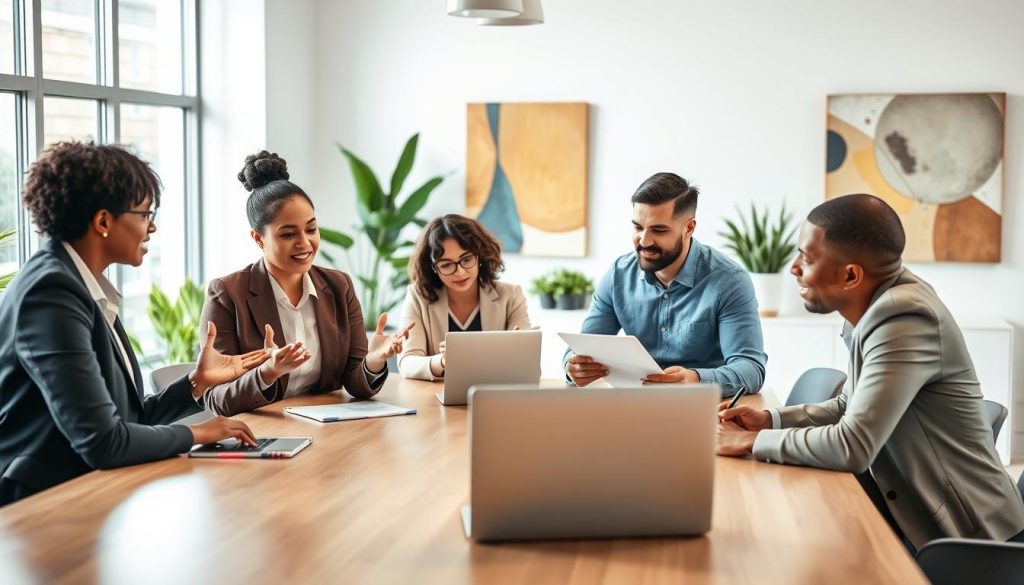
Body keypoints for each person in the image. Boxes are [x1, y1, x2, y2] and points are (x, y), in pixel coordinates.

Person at [717, 194, 1024, 548]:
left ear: (850, 275)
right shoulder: (876, 309)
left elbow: (853, 444)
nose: (794, 268)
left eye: (807, 257)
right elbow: (848, 405)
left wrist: (754, 442)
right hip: (922, 517)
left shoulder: (903, 319)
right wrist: (770, 421)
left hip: (971, 541)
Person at [0, 141, 267, 506]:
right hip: (40, 505)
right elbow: (104, 442)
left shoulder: (81, 286)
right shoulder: (51, 292)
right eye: (144, 214)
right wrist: (197, 433)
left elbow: (129, 419)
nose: (152, 227)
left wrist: (196, 382)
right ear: (104, 221)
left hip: (85, 492)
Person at [199, 150, 411, 416]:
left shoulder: (338, 286)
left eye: (311, 229)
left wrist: (374, 360)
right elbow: (216, 399)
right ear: (258, 238)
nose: (304, 243)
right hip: (263, 434)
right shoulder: (227, 294)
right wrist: (266, 373)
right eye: (288, 234)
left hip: (327, 430)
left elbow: (355, 384)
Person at [563, 172, 766, 395]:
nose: (644, 241)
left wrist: (697, 379)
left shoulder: (729, 281)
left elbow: (751, 369)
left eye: (659, 230)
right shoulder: (617, 276)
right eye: (638, 227)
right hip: (634, 405)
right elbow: (583, 347)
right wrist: (573, 366)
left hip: (704, 409)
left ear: (689, 228)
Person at [398, 214, 530, 380]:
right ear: (433, 267)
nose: (460, 272)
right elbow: (406, 363)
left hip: (494, 397)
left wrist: (519, 351)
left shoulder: (511, 296)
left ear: (479, 256)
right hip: (435, 398)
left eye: (466, 259)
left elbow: (529, 366)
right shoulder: (418, 296)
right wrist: (443, 361)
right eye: (446, 265)